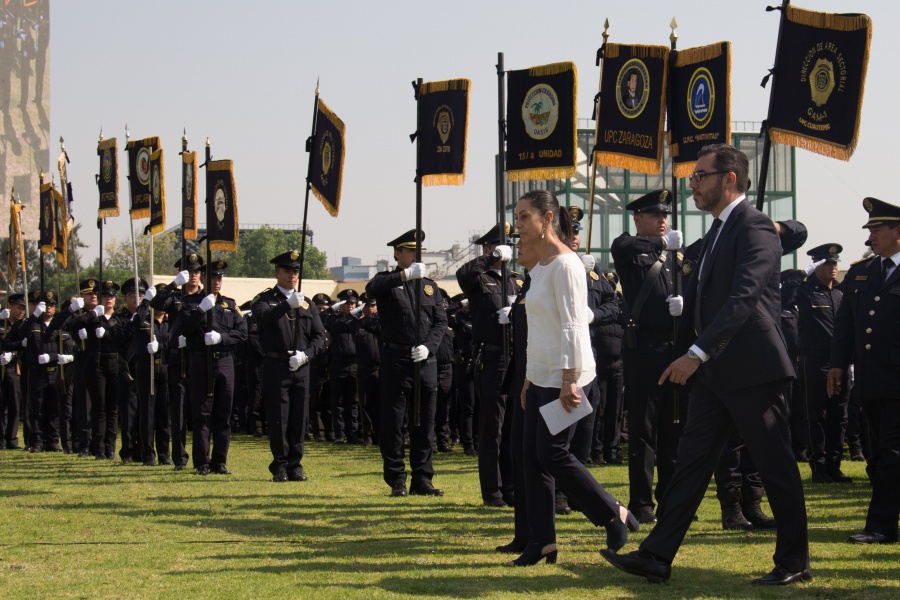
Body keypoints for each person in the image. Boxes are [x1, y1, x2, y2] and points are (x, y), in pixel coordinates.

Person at [602, 143, 810, 586]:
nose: (692, 184)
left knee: (775, 464)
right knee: (692, 464)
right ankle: (657, 555)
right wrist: (687, 347)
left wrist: (695, 353)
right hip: (715, 373)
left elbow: (744, 297)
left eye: (700, 176)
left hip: (752, 368)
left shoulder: (753, 227)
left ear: (728, 179)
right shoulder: (717, 230)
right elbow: (697, 302)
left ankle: (794, 560)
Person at [510, 189, 636, 567]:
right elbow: (539, 329)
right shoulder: (541, 267)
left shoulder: (566, 265)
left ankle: (613, 514)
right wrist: (530, 379)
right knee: (532, 458)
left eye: (524, 217)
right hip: (543, 376)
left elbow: (572, 326)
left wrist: (568, 379)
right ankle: (541, 542)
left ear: (547, 219)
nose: (517, 225)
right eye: (516, 217)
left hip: (570, 374)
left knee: (552, 453)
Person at [611, 188, 685, 525]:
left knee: (673, 427)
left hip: (675, 348)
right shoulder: (631, 249)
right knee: (643, 428)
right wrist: (663, 244)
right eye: (655, 215)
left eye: (664, 216)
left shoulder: (674, 258)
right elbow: (625, 246)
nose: (662, 221)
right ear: (638, 217)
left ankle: (670, 497)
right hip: (643, 350)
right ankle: (641, 502)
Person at [829, 197, 900, 545]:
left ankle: (881, 526)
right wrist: (837, 364)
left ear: (897, 232)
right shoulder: (861, 272)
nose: (870, 235)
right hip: (870, 383)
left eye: (876, 228)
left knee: (890, 455)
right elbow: (846, 326)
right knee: (876, 458)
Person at [365, 229, 447, 497]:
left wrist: (428, 346)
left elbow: (440, 321)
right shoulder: (386, 281)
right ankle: (397, 478)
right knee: (394, 421)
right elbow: (371, 290)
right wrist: (402, 276)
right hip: (397, 359)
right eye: (410, 251)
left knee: (425, 423)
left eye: (417, 251)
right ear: (397, 254)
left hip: (425, 361)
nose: (415, 255)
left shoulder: (429, 286)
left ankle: (422, 478)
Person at [456, 222, 521, 507]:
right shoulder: (479, 278)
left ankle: (511, 488)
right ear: (488, 247)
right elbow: (462, 273)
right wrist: (492, 258)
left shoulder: (517, 280)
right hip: (492, 358)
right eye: (499, 245)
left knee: (512, 429)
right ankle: (492, 492)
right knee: (493, 428)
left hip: (515, 357)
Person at [252, 250, 325, 482]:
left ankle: (296, 464)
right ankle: (280, 465)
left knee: (299, 418)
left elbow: (319, 336)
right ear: (276, 273)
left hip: (301, 367)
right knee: (279, 418)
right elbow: (261, 318)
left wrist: (306, 355)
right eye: (287, 271)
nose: (292, 275)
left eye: (295, 271)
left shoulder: (307, 304)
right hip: (276, 365)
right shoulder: (265, 299)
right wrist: (285, 306)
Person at [178, 260, 247, 475]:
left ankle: (220, 461)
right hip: (201, 361)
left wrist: (222, 338)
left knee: (223, 414)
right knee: (202, 413)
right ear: (203, 278)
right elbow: (184, 328)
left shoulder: (230, 304)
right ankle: (202, 462)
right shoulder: (190, 302)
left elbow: (242, 332)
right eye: (212, 277)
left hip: (225, 361)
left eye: (219, 277)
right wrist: (200, 310)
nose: (217, 282)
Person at [798, 243, 851, 484]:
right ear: (817, 265)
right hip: (815, 360)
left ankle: (834, 464)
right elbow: (784, 296)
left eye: (835, 262)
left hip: (839, 360)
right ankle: (818, 466)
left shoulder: (841, 292)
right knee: (816, 415)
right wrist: (801, 277)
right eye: (827, 263)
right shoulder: (805, 291)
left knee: (839, 414)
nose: (833, 267)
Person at [151, 255, 205, 471]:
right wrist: (174, 284)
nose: (194, 275)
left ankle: (203, 458)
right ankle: (180, 458)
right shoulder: (174, 298)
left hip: (199, 357)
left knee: (201, 411)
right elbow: (155, 304)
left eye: (197, 271)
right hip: (178, 359)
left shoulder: (205, 298)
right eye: (189, 272)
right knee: (179, 411)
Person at [135, 283, 172, 466]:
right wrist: (146, 301)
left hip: (166, 368)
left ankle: (164, 454)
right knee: (148, 414)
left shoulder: (170, 320)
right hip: (147, 368)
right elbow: (134, 323)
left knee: (165, 415)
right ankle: (148, 454)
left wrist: (162, 347)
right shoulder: (144, 319)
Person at [324, 288, 362, 443]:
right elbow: (321, 319)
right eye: (347, 303)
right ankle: (339, 434)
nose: (350, 306)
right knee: (338, 402)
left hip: (354, 365)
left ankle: (352, 433)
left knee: (353, 402)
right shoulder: (333, 319)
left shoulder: (359, 320)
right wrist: (334, 309)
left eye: (353, 303)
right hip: (338, 365)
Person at [0, 294, 28, 450]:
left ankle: (11, 439)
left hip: (14, 368)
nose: (21, 311)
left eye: (23, 308)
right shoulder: (1, 322)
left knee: (15, 406)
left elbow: (26, 346)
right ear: (9, 306)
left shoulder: (22, 326)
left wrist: (15, 353)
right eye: (18, 307)